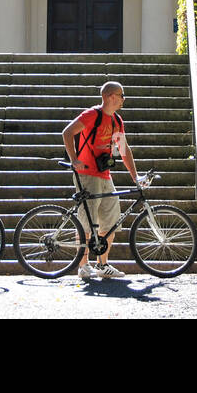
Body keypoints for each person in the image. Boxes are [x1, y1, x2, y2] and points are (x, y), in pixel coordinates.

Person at [62, 80, 146, 279]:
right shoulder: (92, 115)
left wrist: (136, 176)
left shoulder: (117, 120)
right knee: (87, 221)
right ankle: (83, 265)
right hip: (87, 174)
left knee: (111, 220)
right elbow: (67, 132)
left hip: (104, 174)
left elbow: (124, 150)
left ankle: (103, 264)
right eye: (122, 95)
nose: (124, 99)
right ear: (111, 96)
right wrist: (74, 160)